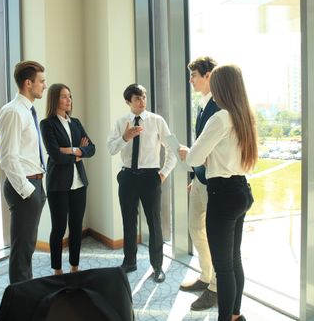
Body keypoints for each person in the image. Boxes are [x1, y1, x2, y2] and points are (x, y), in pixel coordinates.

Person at [179, 64, 257, 321]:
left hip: (222, 195)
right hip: (241, 190)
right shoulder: (244, 115)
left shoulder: (220, 117)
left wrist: (187, 153)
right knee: (234, 260)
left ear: (221, 86)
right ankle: (235, 316)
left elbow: (194, 158)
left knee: (223, 269)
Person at [107, 84, 176, 283]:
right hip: (127, 177)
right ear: (128, 102)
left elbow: (171, 149)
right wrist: (125, 138)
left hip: (150, 177)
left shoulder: (157, 121)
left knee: (154, 223)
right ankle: (129, 262)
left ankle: (157, 266)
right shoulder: (121, 123)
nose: (142, 101)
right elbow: (111, 149)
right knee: (128, 221)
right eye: (137, 98)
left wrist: (162, 174)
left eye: (144, 96)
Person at [0, 60, 47, 284]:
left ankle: (25, 291)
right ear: (28, 83)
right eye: (41, 81)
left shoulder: (28, 111)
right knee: (21, 250)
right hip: (24, 186)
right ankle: (20, 299)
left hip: (35, 183)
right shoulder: (14, 112)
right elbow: (8, 157)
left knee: (27, 246)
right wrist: (28, 191)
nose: (44, 85)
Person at [40, 83, 95, 275]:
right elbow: (55, 155)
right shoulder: (47, 124)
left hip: (79, 183)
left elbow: (92, 149)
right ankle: (57, 269)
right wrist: (78, 152)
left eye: (70, 96)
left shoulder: (76, 123)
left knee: (76, 226)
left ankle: (74, 266)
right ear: (55, 99)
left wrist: (71, 150)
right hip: (58, 184)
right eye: (64, 96)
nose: (68, 100)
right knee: (59, 227)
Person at [180, 56, 220, 311]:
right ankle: (206, 275)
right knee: (195, 227)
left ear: (208, 76)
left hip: (216, 180)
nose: (191, 80)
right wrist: (194, 176)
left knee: (215, 235)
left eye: (194, 75)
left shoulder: (219, 107)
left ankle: (215, 287)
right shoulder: (201, 106)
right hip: (200, 179)